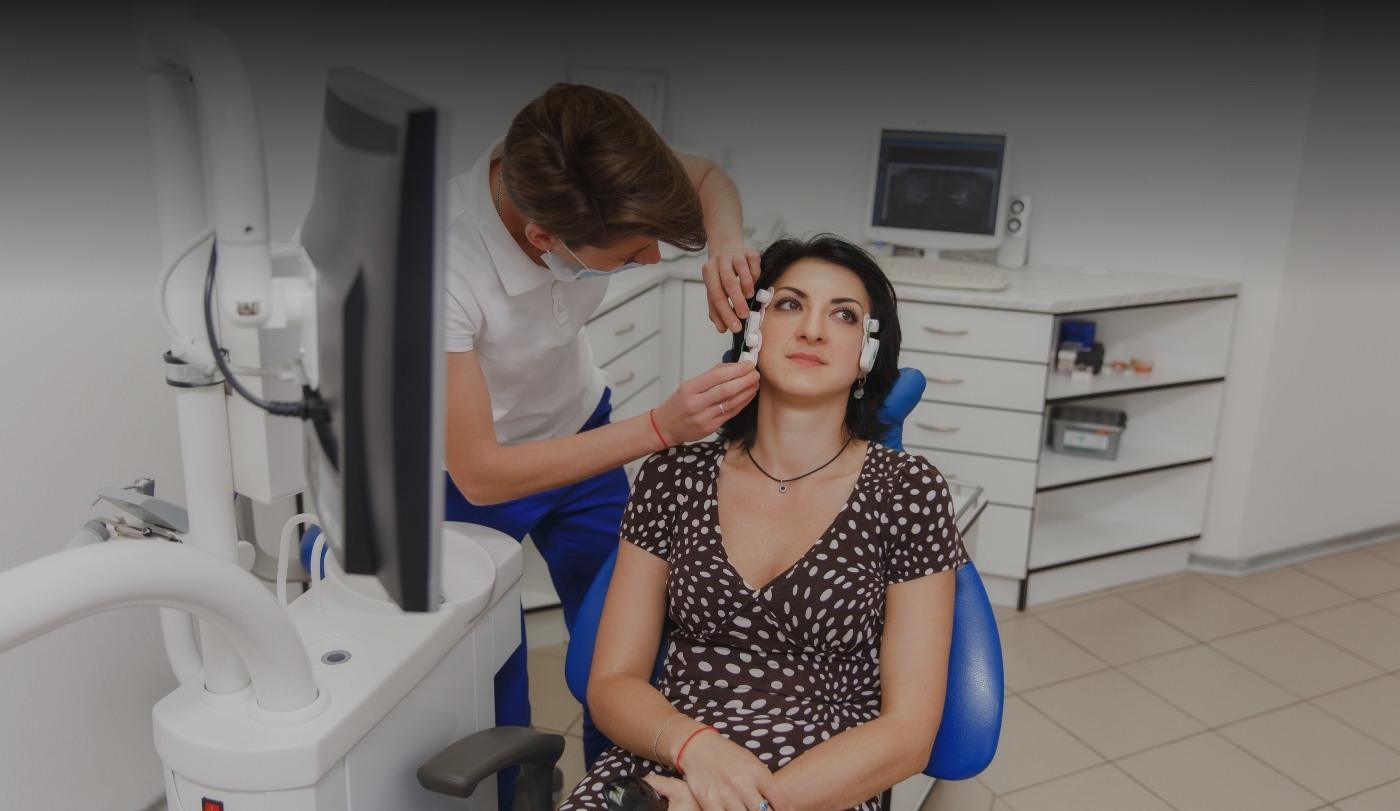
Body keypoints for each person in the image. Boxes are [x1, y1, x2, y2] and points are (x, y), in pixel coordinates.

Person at [560, 235, 966, 811]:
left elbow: (908, 734)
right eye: (790, 304)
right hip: (669, 760)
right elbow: (612, 683)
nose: (812, 330)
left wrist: (749, 805)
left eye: (844, 315)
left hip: (823, 783)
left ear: (867, 355)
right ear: (753, 329)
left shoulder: (909, 490)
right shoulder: (673, 478)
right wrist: (698, 748)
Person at [441, 82, 764, 796]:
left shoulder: (578, 157)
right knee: (495, 680)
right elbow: (482, 475)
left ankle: (619, 789)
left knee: (629, 638)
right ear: (543, 239)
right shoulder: (444, 270)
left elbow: (709, 178)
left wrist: (726, 240)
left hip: (580, 426)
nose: (652, 260)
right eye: (627, 255)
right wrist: (657, 429)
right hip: (477, 472)